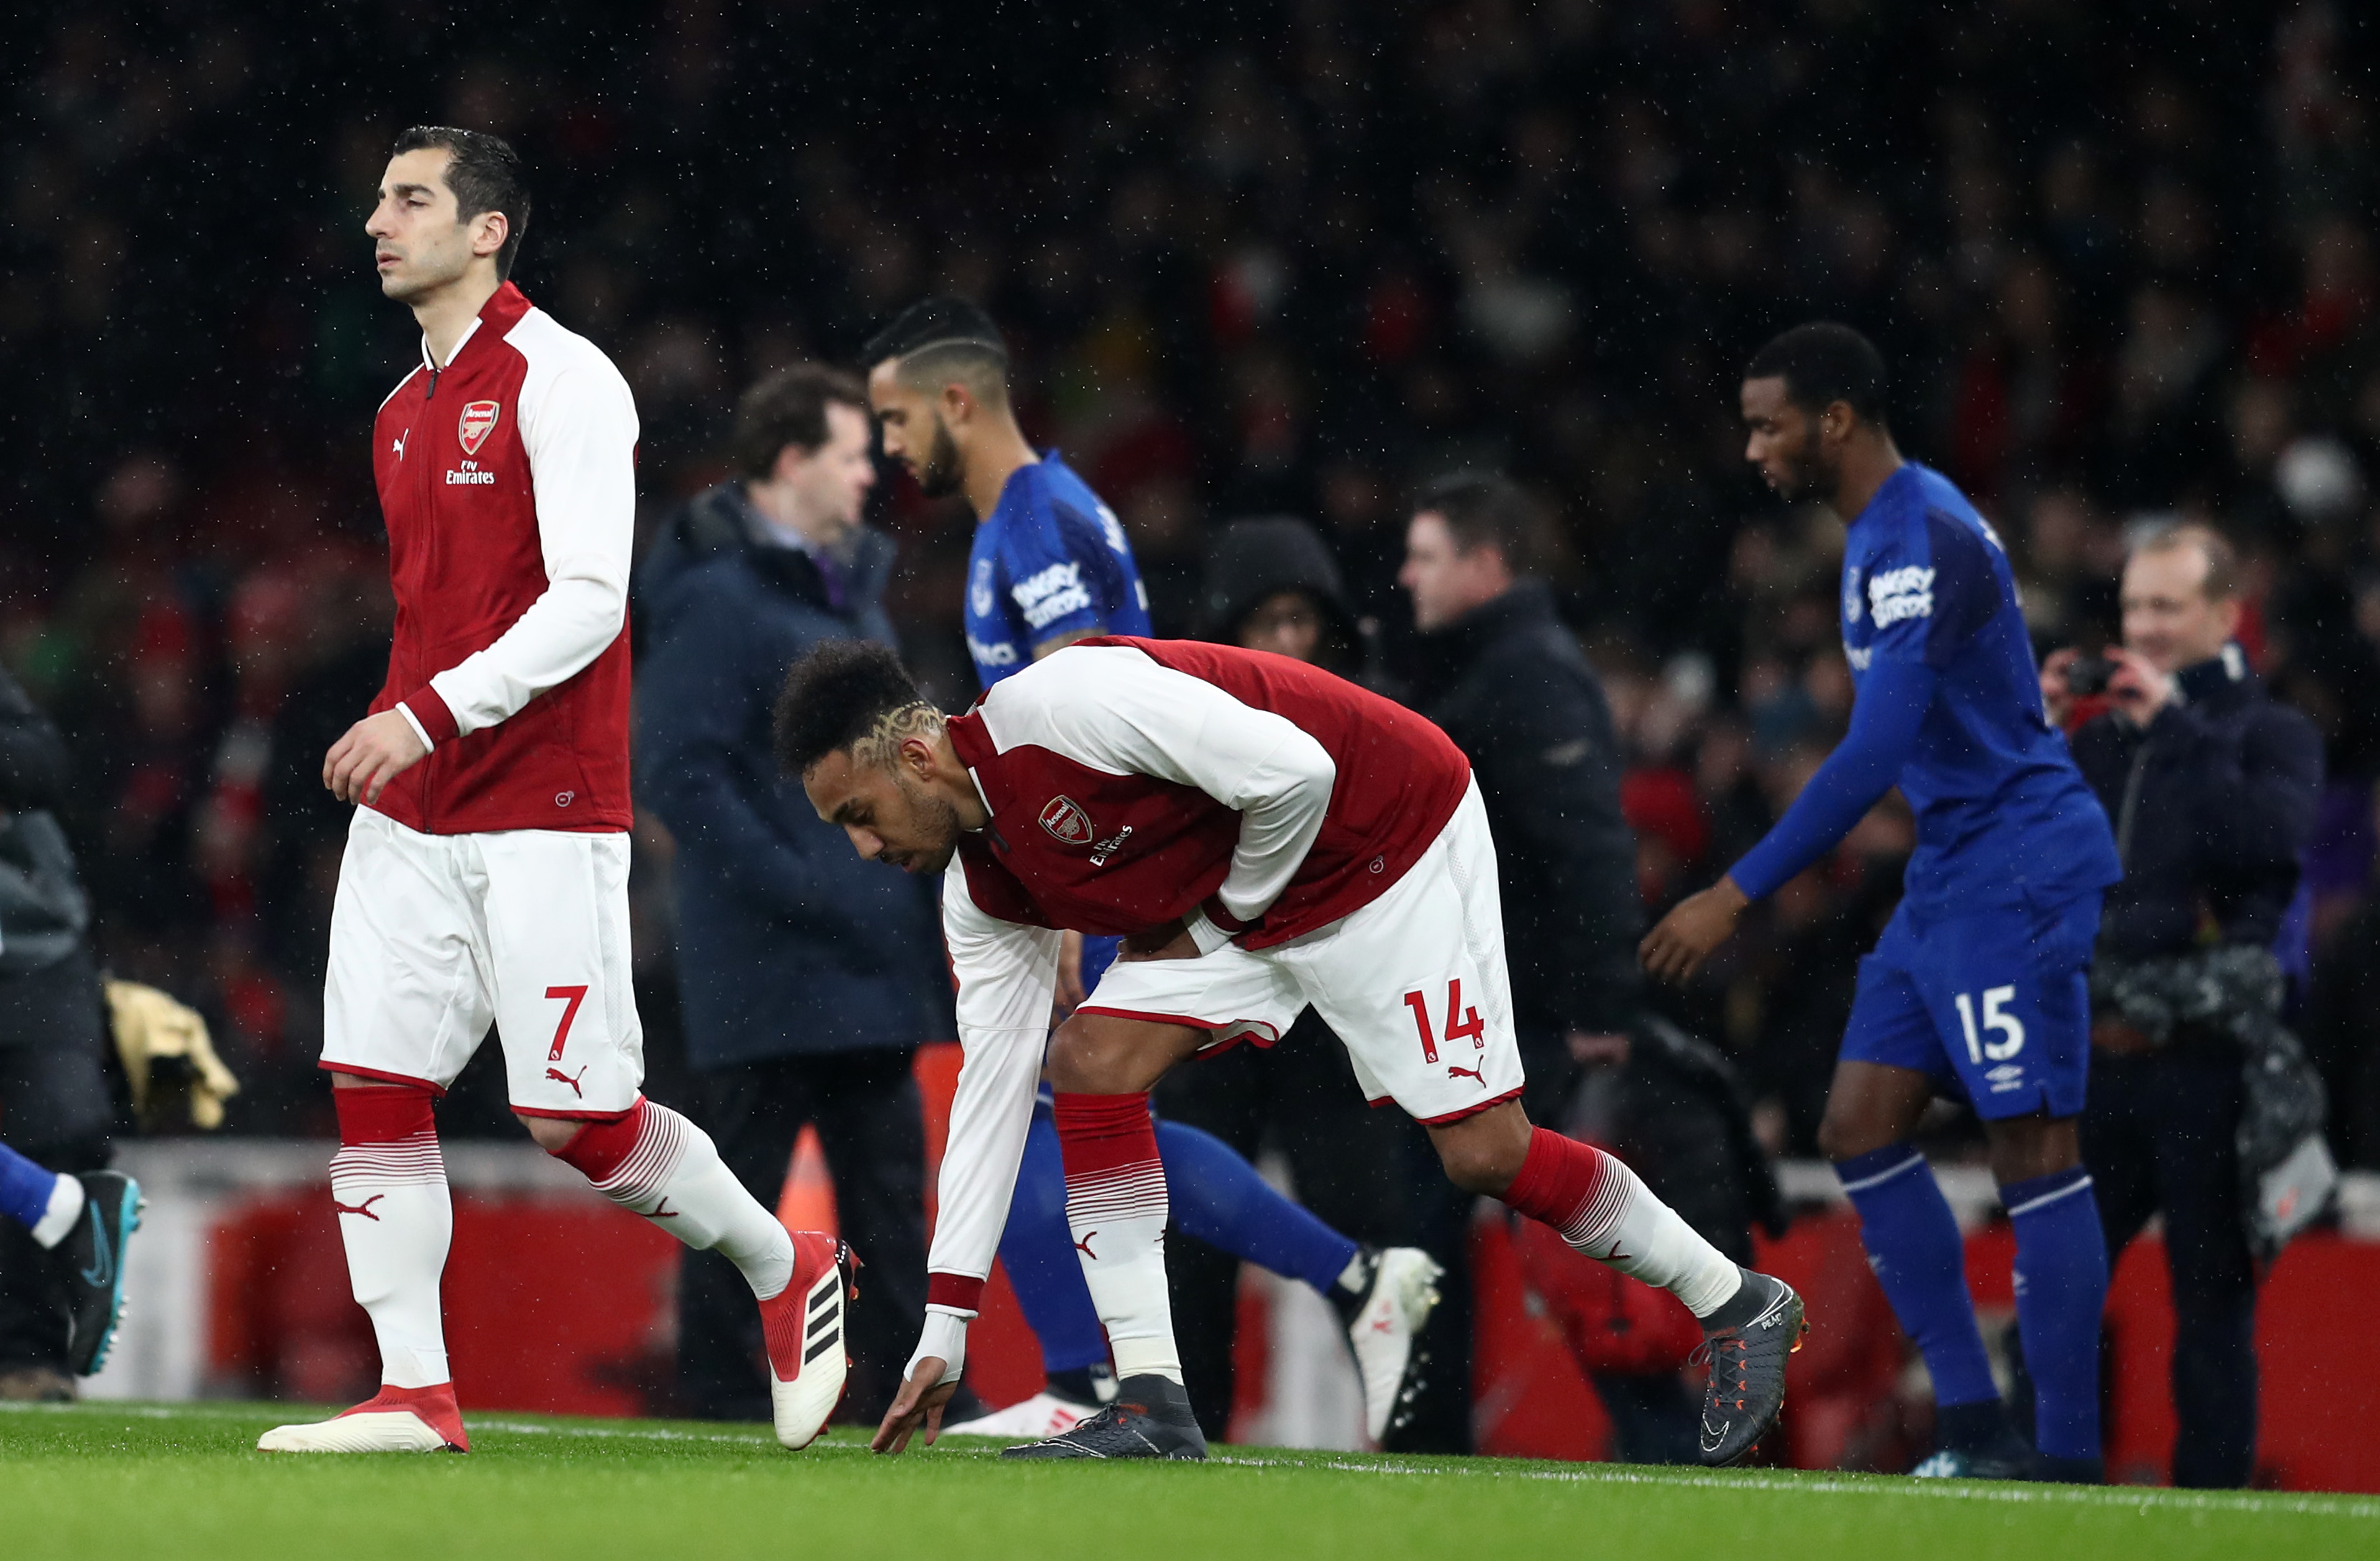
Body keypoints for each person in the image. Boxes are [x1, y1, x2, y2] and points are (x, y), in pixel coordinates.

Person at [778, 636, 1806, 1465]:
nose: (867, 850)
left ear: (914, 758)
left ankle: (1738, 1299)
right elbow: (988, 1101)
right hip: (1250, 902)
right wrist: (943, 1329)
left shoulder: (1065, 703)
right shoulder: (984, 894)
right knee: (1084, 1059)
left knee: (1484, 1152)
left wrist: (1224, 914)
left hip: (1385, 839)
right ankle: (1150, 1399)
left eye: (859, 815)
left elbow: (1296, 771)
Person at [258, 127, 849, 1455]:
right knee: (373, 1078)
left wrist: (427, 712)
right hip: (414, 806)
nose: (376, 221)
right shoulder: (397, 412)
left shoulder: (564, 378)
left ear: (488, 231)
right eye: (375, 196)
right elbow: (444, 611)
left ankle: (781, 1263)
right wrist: (406, 723)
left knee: (574, 1115)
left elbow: (591, 600)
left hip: (540, 801)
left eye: (410, 199)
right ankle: (415, 1388)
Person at [861, 300, 1441, 1445]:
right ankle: (1181, 1337)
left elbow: (1091, 699)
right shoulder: (1020, 524)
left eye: (893, 418)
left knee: (1064, 1102)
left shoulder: (1036, 529)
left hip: (1100, 858)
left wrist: (1071, 900)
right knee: (1066, 1110)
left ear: (956, 401)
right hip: (1083, 857)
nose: (887, 446)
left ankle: (1315, 1289)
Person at [1641, 322, 2122, 1483]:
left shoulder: (1922, 540)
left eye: (1770, 423)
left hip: (2019, 865)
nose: (1755, 447)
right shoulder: (1879, 535)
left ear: (1836, 420)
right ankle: (1971, 1429)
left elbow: (1869, 757)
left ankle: (2063, 1461)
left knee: (2034, 1146)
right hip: (1955, 865)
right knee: (1858, 1124)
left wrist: (1734, 890)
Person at [1399, 475, 1783, 1463]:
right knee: (1482, 1239)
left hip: (1536, 1014)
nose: (1407, 574)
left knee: (1573, 1250)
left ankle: (1672, 1436)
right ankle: (1639, 1439)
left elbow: (1590, 847)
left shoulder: (1527, 674)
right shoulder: (1494, 668)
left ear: (1486, 564)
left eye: (1426, 555)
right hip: (1489, 1004)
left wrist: (1603, 1004)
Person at [636, 364, 951, 1425]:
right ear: (788, 461)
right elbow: (679, 770)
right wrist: (804, 882)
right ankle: (723, 1396)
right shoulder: (715, 596)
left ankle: (905, 1393)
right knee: (740, 1197)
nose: (872, 473)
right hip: (764, 958)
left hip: (863, 951)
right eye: (852, 453)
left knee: (889, 1196)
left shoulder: (846, 587)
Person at [1155, 516, 1476, 1450]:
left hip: (1333, 1019)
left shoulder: (1368, 719)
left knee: (1378, 1233)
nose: (1287, 641)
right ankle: (1183, 1428)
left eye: (1301, 618)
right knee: (1190, 1237)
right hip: (1216, 1010)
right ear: (1228, 627)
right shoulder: (1183, 723)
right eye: (1266, 621)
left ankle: (1429, 1448)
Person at [2044, 522, 2325, 1488]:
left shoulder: (2269, 731)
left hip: (2207, 1065)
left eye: (2166, 606)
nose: (2145, 626)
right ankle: (2044, 1485)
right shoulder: (2103, 737)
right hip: (2103, 1057)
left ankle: (2210, 1508)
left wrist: (2174, 723)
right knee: (2058, 1282)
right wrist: (2037, 734)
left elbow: (2263, 842)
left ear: (2222, 612)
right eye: (2132, 607)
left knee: (2208, 1301)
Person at [1, 662, 142, 1396]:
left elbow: (44, 766)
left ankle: (31, 1354)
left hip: (30, 948)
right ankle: (59, 1207)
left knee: (57, 1128)